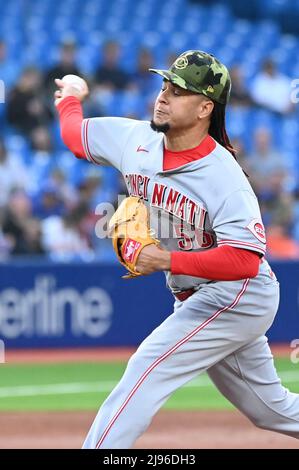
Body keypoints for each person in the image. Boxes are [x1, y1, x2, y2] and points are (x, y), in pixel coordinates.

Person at [54, 50, 299, 449]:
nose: (163, 96)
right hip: (199, 293)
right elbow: (75, 137)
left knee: (147, 367)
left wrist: (164, 259)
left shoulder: (224, 177)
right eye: (165, 86)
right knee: (270, 409)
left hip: (238, 294)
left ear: (205, 107)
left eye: (179, 90)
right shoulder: (136, 140)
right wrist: (71, 96)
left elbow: (245, 259)